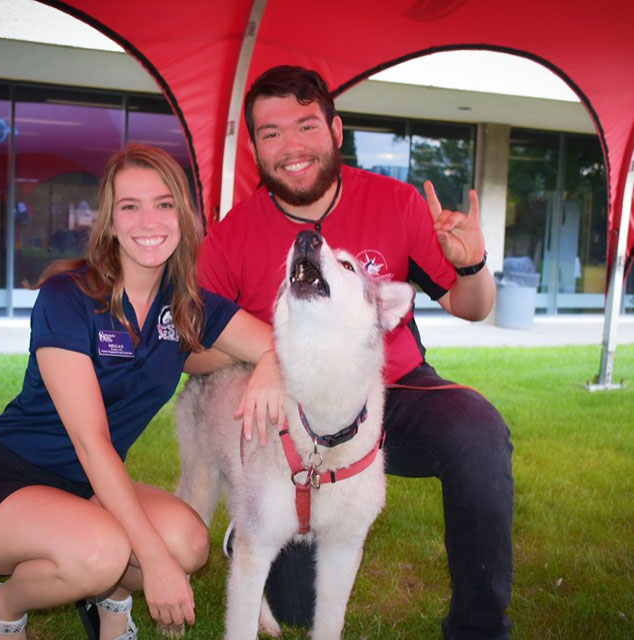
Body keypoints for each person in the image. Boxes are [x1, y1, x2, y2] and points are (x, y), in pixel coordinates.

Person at [187, 66, 513, 639]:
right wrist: (272, 354)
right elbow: (189, 351)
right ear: (255, 150)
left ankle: (479, 629)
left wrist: (472, 263)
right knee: (290, 606)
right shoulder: (232, 235)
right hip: (295, 413)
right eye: (271, 133)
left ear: (336, 130)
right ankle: (252, 526)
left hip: (394, 386)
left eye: (306, 125)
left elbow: (473, 305)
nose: (291, 147)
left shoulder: (397, 201)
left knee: (478, 431)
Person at [0, 143, 283, 640]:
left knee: (190, 545)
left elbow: (278, 344)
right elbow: (91, 442)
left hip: (90, 489)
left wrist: (272, 365)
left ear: (183, 216)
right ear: (110, 221)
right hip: (4, 483)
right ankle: (4, 605)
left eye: (164, 204)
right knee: (105, 554)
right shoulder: (67, 299)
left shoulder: (187, 306)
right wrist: (151, 562)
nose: (149, 220)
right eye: (131, 206)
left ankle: (110, 594)